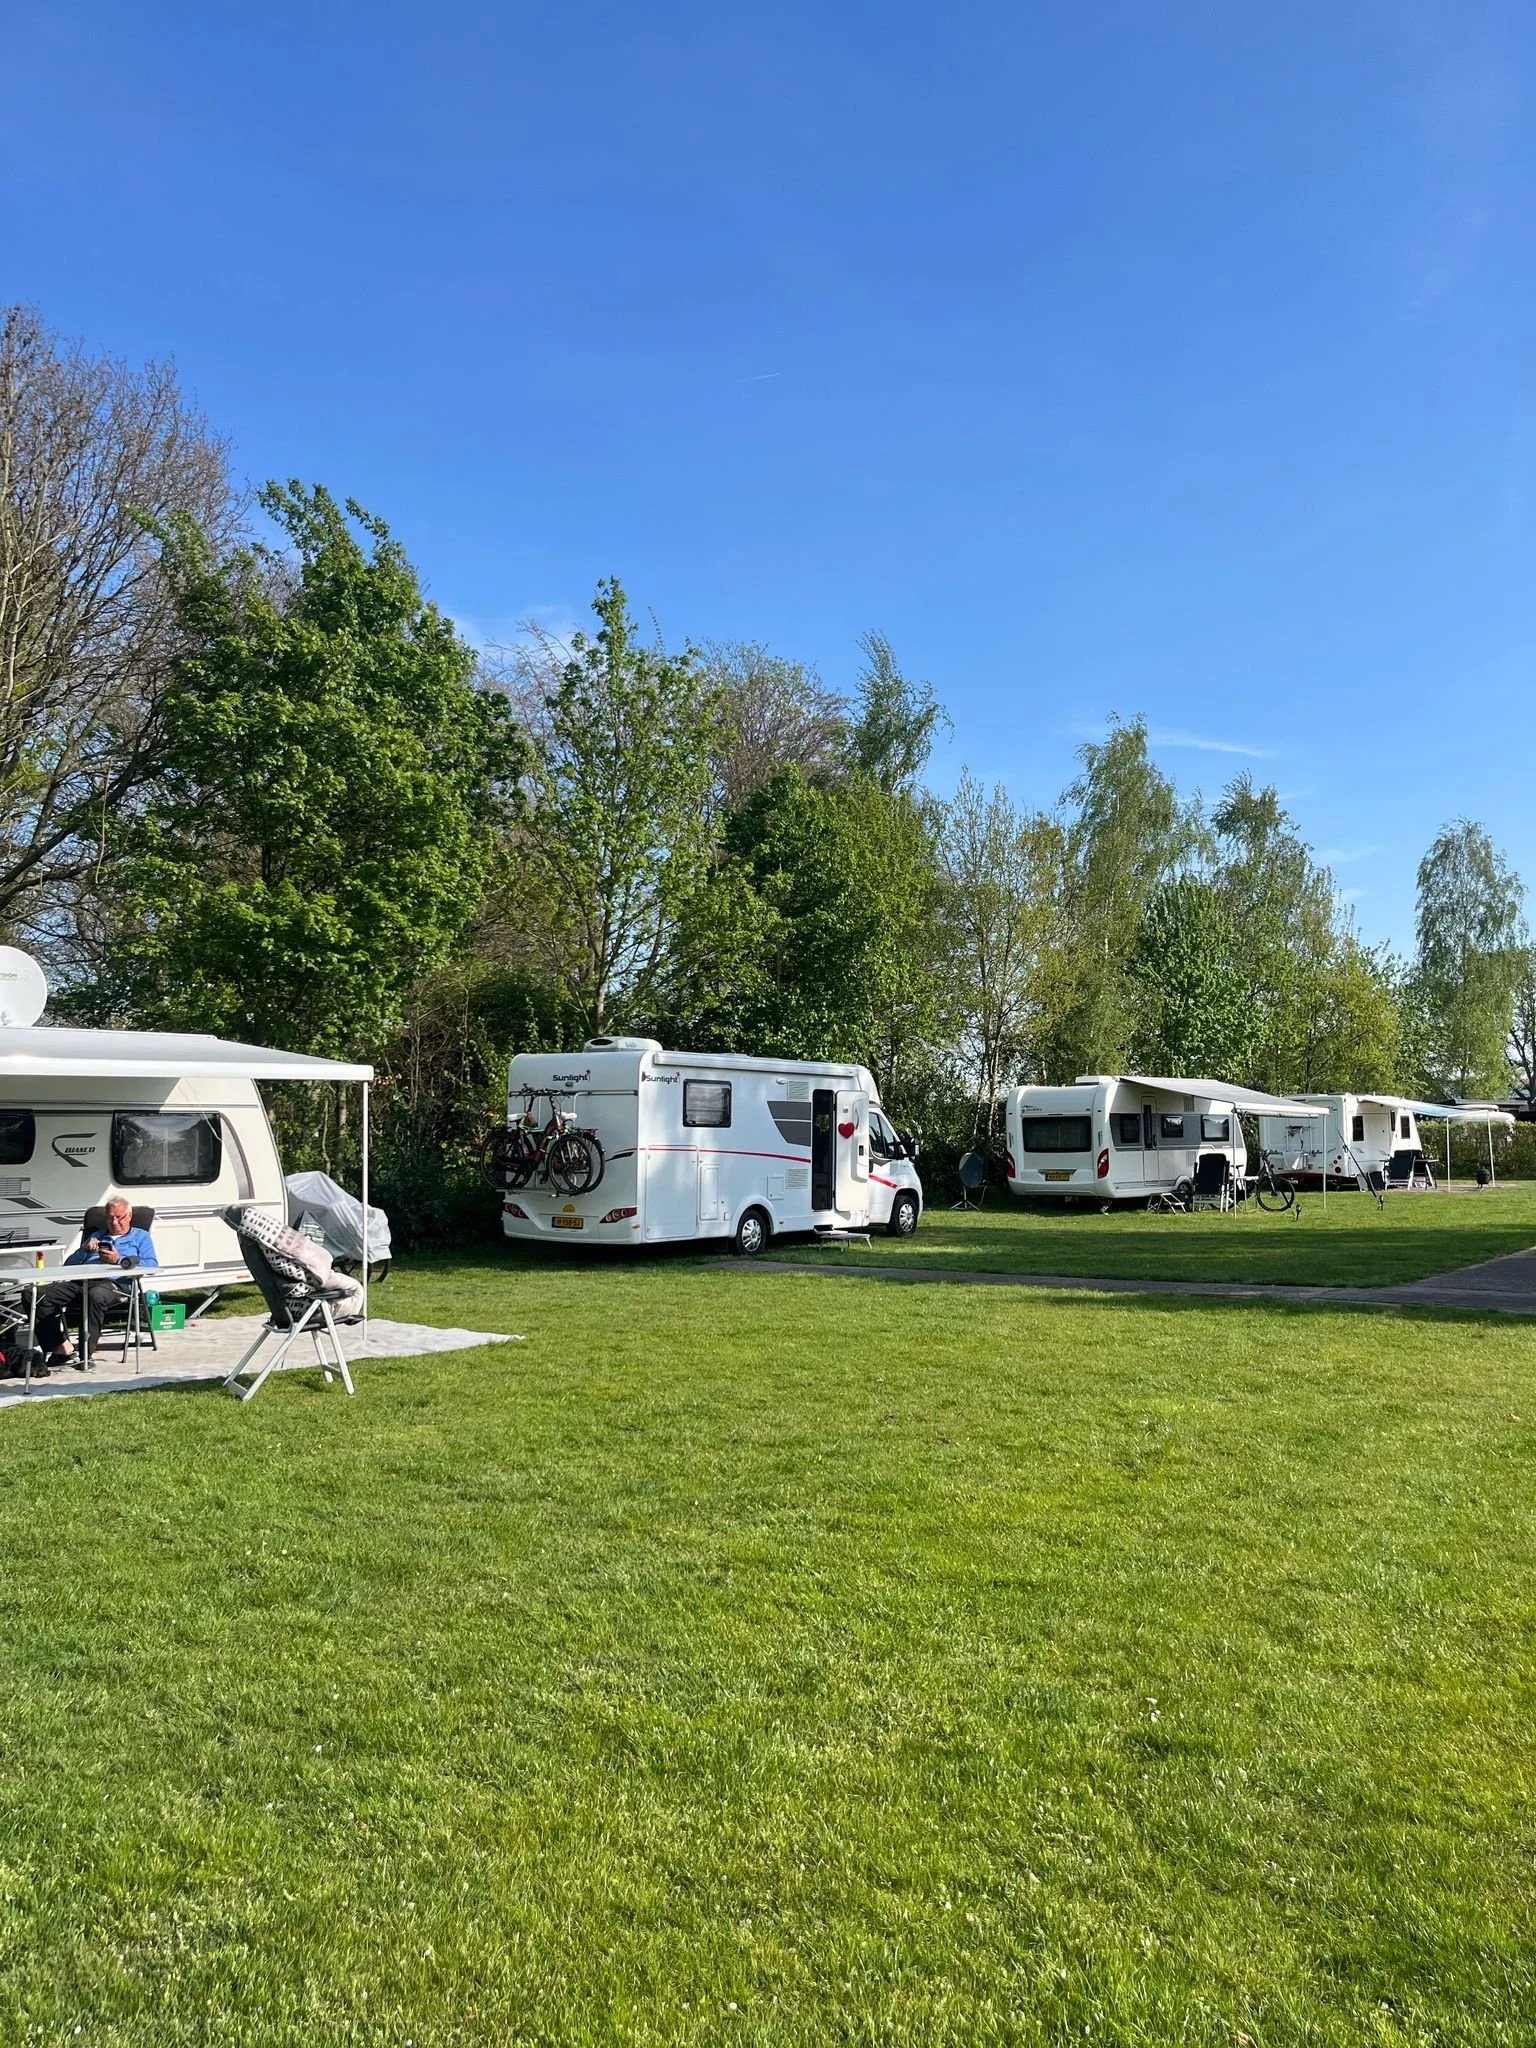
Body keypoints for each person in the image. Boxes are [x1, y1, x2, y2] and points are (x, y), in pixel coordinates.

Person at [35, 1196, 158, 1369]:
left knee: (95, 1294)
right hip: (81, 1282)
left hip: (115, 1286)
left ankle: (86, 1355)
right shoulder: (96, 1235)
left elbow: (151, 1265)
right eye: (109, 1217)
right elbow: (68, 1266)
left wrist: (119, 1260)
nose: (114, 1222)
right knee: (35, 1294)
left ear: (129, 1216)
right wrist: (83, 1249)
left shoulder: (141, 1237)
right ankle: (61, 1348)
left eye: (119, 1217)